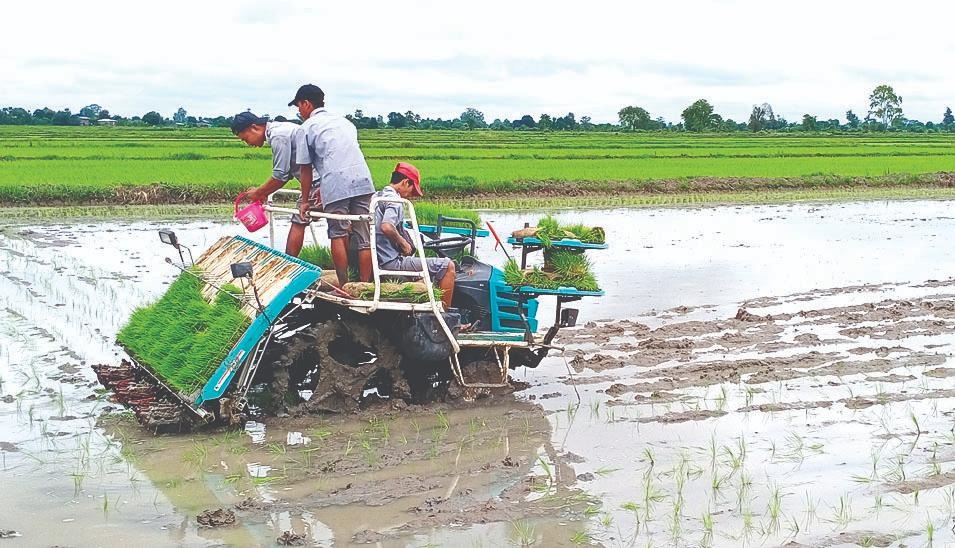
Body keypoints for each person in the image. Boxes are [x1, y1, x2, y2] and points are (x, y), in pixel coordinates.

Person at [290, 84, 375, 286]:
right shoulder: (346, 123)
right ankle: (365, 285)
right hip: (363, 180)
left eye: (299, 107)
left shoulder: (307, 127)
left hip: (336, 183)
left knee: (337, 232)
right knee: (364, 235)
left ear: (306, 103)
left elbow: (305, 169)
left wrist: (304, 201)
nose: (299, 112)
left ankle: (344, 285)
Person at [230, 111, 315, 257]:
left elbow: (280, 175)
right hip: (322, 179)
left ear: (254, 127)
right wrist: (264, 192)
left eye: (245, 139)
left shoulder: (278, 136)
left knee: (299, 221)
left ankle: (289, 263)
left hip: (319, 182)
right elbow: (286, 174)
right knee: (343, 223)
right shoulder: (281, 129)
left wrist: (258, 193)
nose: (248, 143)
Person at [374, 162, 456, 309]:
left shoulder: (376, 197)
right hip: (390, 262)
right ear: (405, 182)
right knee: (448, 265)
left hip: (379, 258)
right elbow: (386, 226)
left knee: (422, 276)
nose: (411, 195)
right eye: (412, 190)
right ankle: (446, 314)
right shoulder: (395, 201)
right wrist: (403, 243)